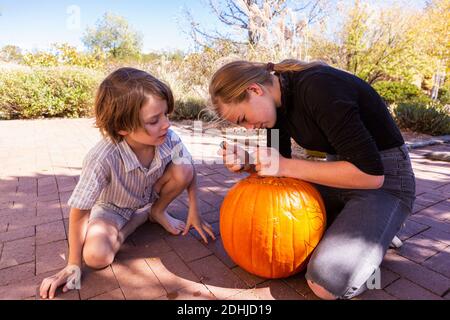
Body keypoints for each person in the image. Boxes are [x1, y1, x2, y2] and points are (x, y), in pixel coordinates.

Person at [210, 60, 415, 300]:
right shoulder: (276, 107)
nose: (247, 128)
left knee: (326, 283)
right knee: (280, 222)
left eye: (243, 118)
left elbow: (371, 175)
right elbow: (280, 170)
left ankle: (380, 232)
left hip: (384, 181)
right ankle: (366, 226)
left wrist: (284, 165)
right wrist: (248, 161)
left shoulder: (319, 86)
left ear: (255, 90)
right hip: (337, 175)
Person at [39, 67, 215, 299]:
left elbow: (189, 170)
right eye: (154, 120)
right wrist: (73, 264)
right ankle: (142, 217)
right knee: (95, 257)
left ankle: (157, 210)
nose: (166, 124)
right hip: (113, 209)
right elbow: (80, 209)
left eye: (166, 114)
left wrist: (194, 211)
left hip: (152, 193)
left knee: (183, 168)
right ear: (123, 128)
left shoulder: (168, 138)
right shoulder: (102, 156)